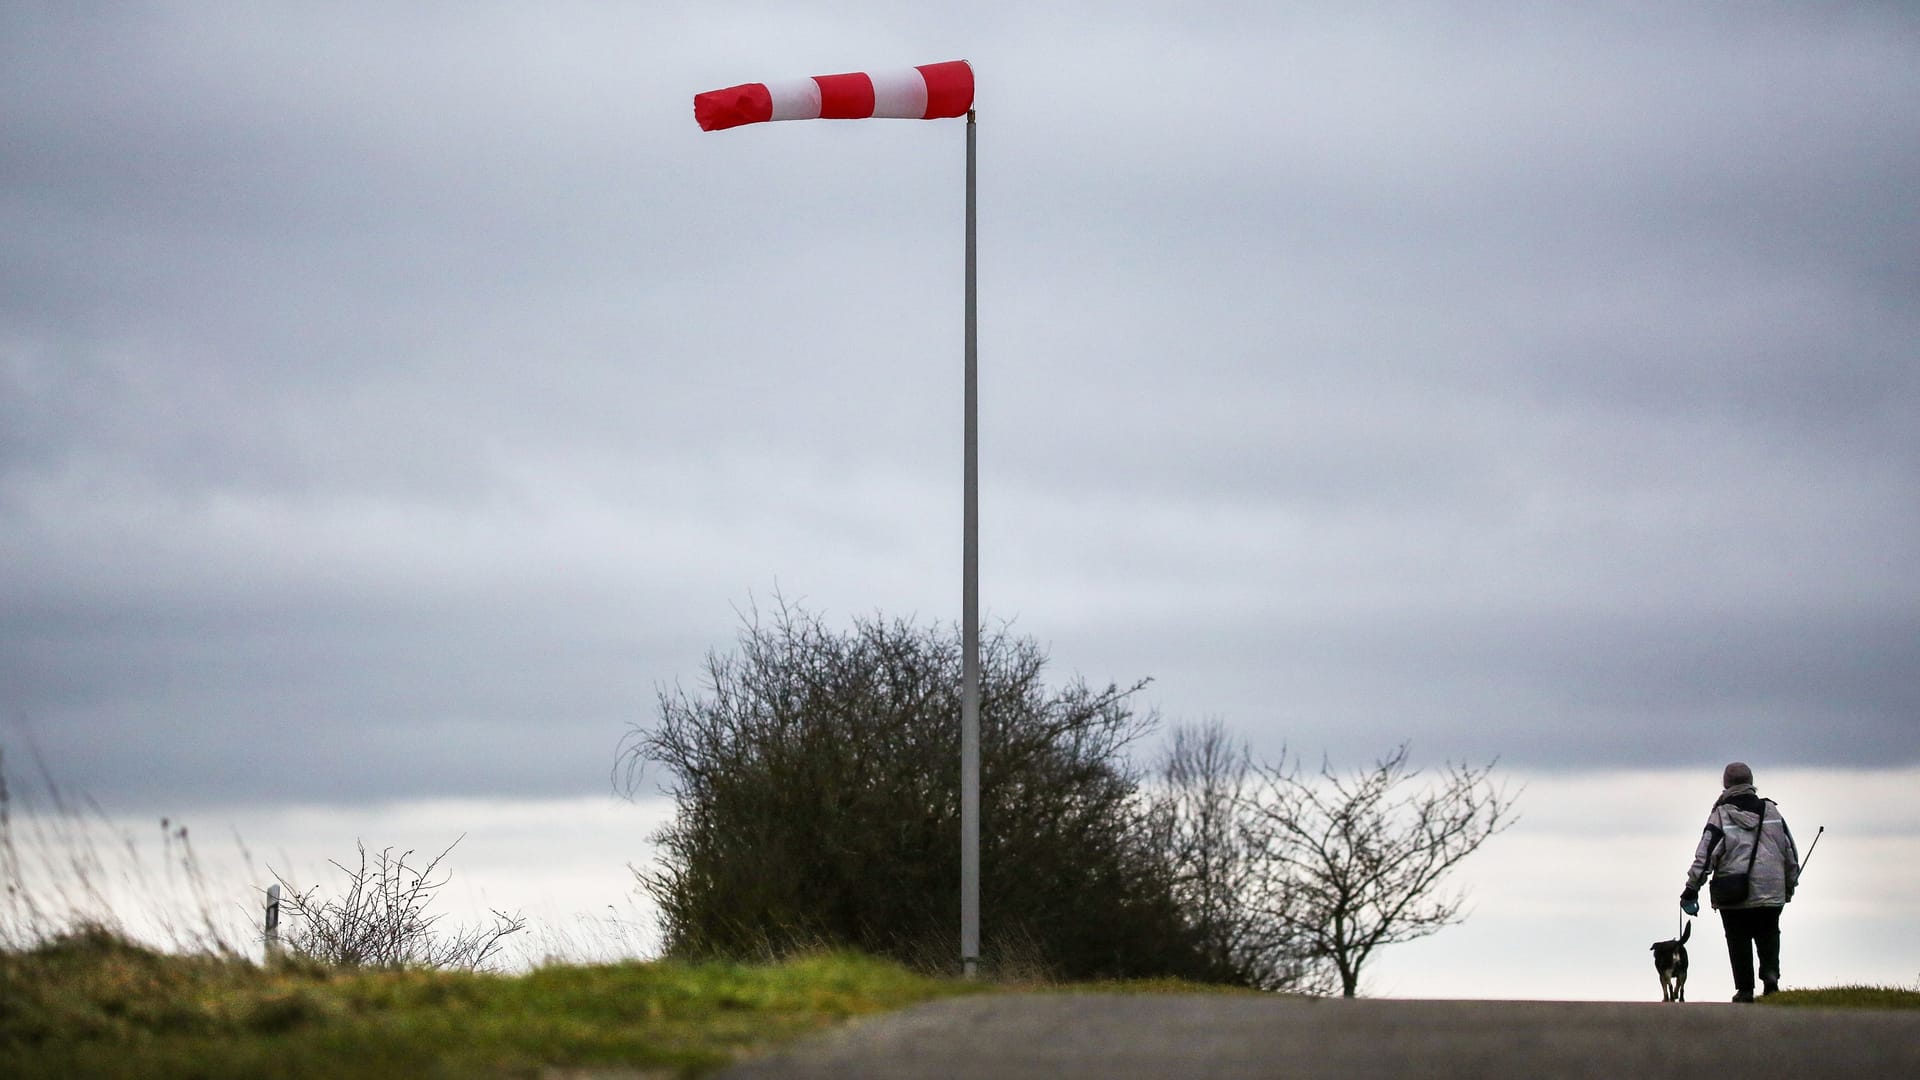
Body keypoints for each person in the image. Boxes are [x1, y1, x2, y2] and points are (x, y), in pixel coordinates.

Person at [1681, 762, 1801, 1002]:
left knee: (1738, 939)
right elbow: (1789, 852)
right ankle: (1770, 978)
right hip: (1771, 887)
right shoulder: (1772, 812)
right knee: (1768, 934)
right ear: (1751, 782)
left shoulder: (1721, 814)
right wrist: (1790, 884)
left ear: (1726, 784)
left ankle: (1745, 989)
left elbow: (1705, 854)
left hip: (1733, 890)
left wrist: (1691, 888)